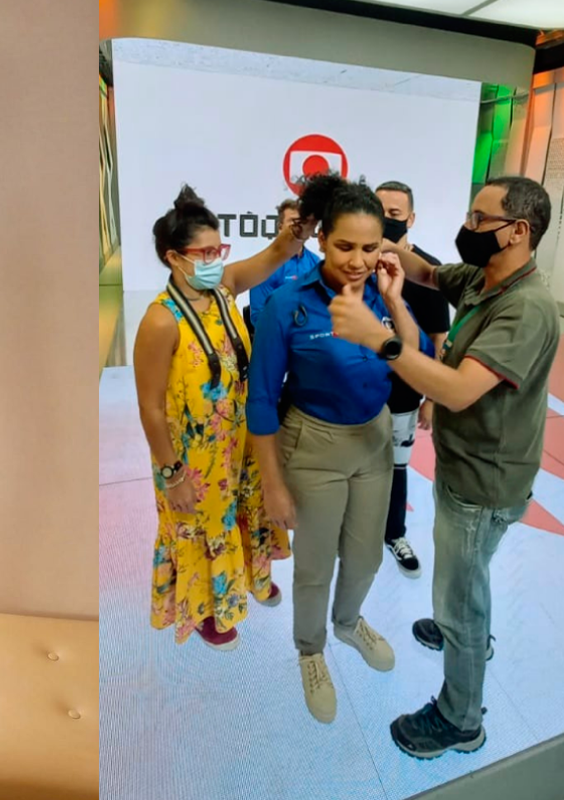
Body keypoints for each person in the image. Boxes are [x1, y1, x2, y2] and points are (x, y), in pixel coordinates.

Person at [329, 175, 558, 759]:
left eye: (481, 220)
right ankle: (466, 631)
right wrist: (378, 241)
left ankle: (460, 718)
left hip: (486, 481)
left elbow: (457, 392)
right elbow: (428, 272)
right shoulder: (486, 280)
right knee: (469, 573)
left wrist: (379, 337)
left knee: (461, 593)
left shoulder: (526, 309)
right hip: (469, 467)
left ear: (518, 231)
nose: (469, 229)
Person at [247, 173, 435, 724]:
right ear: (322, 238)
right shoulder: (289, 303)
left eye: (370, 247)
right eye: (345, 246)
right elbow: (261, 400)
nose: (357, 260)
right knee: (314, 564)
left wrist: (397, 298)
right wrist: (273, 485)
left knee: (366, 553)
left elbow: (418, 355)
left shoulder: (383, 291)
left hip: (374, 438)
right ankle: (311, 650)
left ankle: (349, 623)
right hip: (314, 444)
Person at [133, 185, 303, 652]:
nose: (214, 259)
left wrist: (301, 226)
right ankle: (207, 611)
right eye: (204, 252)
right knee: (204, 529)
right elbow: (149, 406)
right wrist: (173, 475)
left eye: (218, 249)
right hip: (189, 457)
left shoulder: (224, 288)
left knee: (245, 509)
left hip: (238, 440)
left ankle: (251, 576)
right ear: (174, 258)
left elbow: (276, 252)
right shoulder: (161, 321)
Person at [375, 181, 450, 578]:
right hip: (358, 394)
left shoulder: (426, 273)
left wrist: (432, 399)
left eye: (395, 215)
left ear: (412, 219)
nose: (385, 221)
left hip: (403, 395)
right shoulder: (358, 265)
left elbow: (439, 341)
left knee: (396, 467)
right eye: (379, 211)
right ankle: (352, 534)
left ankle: (394, 533)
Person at [247, 198, 322, 332]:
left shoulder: (316, 262)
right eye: (293, 221)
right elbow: (258, 317)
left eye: (303, 222)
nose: (299, 226)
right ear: (280, 227)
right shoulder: (264, 266)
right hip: (277, 339)